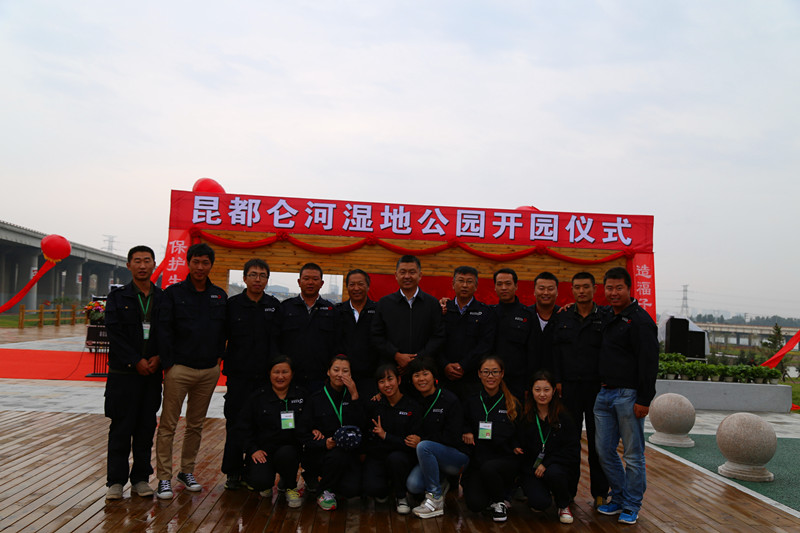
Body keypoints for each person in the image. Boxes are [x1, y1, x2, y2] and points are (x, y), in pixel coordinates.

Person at [155, 243, 227, 499]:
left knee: (195, 425)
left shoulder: (219, 296)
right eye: (196, 261)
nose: (200, 267)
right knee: (168, 425)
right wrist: (169, 364)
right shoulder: (173, 293)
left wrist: (218, 358)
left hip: (208, 371)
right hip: (179, 369)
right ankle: (164, 477)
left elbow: (224, 331)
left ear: (211, 265)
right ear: (188, 263)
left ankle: (187, 471)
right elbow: (163, 329)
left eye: (205, 262)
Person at [594, 267, 658, 525]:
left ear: (629, 289)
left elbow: (649, 363)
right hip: (604, 394)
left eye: (618, 288)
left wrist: (644, 399)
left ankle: (632, 505)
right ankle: (619, 497)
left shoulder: (641, 321)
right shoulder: (606, 315)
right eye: (609, 288)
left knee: (633, 454)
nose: (613, 293)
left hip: (629, 396)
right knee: (603, 451)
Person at [103, 245, 164, 500]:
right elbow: (115, 334)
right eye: (137, 261)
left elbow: (169, 332)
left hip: (151, 375)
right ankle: (116, 482)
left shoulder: (163, 298)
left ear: (154, 265)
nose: (142, 265)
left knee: (145, 428)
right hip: (123, 375)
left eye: (147, 261)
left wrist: (159, 357)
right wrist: (135, 360)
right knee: (121, 428)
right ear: (128, 265)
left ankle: (140, 478)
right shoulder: (117, 297)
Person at [221, 259, 281, 490]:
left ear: (267, 280)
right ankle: (233, 471)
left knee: (261, 424)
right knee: (235, 422)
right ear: (245, 278)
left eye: (262, 275)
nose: (258, 279)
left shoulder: (274, 306)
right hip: (239, 377)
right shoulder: (232, 305)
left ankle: (254, 470)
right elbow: (221, 337)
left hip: (265, 379)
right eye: (253, 275)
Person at [552, 272, 610, 507]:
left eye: (586, 287)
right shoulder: (563, 316)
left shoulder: (605, 316)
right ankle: (568, 492)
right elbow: (555, 352)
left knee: (599, 442)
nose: (581, 291)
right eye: (577, 287)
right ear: (572, 290)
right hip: (569, 389)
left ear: (594, 289)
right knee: (569, 441)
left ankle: (600, 493)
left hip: (597, 389)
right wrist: (557, 380)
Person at [404, 357, 469, 519]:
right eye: (416, 375)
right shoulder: (414, 400)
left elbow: (453, 437)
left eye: (425, 374)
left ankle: (435, 499)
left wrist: (422, 441)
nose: (421, 379)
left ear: (434, 376)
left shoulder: (449, 399)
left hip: (456, 457)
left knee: (424, 446)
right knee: (413, 485)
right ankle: (442, 483)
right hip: (431, 457)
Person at [298, 354, 365, 511]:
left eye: (345, 371)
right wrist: (323, 443)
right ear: (328, 372)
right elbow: (302, 432)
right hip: (322, 453)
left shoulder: (354, 395)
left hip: (349, 453)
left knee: (352, 490)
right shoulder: (315, 398)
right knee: (337, 455)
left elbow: (363, 425)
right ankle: (323, 490)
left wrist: (355, 395)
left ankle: (331, 483)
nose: (340, 374)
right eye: (336, 370)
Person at [460, 356, 521, 522]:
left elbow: (520, 432)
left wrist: (516, 445)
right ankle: (491, 496)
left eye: (495, 372)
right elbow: (462, 422)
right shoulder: (471, 400)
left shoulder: (512, 403)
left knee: (490, 468)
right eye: (486, 372)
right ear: (479, 374)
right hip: (479, 460)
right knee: (475, 505)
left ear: (502, 374)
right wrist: (467, 431)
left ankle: (500, 501)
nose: (490, 376)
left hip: (504, 460)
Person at [239, 355, 305, 508]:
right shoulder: (257, 397)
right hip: (263, 451)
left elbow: (308, 423)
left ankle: (290, 486)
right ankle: (266, 481)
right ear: (269, 373)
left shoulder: (301, 395)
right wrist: (252, 449)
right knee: (259, 482)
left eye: (285, 372)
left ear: (292, 374)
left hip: (289, 451)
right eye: (276, 372)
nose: (280, 377)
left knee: (288, 453)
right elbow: (243, 427)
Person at [517, 370, 580, 525]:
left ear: (554, 391)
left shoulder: (564, 417)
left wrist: (547, 463)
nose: (542, 394)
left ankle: (563, 505)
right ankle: (541, 492)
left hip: (556, 466)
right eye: (537, 390)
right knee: (539, 503)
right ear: (531, 391)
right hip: (533, 469)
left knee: (554, 473)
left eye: (546, 390)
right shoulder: (525, 416)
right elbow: (520, 443)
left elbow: (571, 449)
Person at [361, 364, 421, 515]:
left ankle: (401, 496)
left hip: (402, 457)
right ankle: (387, 486)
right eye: (382, 381)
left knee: (396, 459)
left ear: (399, 380)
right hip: (379, 456)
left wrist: (386, 436)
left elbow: (410, 444)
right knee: (372, 488)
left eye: (390, 379)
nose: (387, 384)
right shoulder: (375, 405)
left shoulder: (412, 406)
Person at [371, 255, 445, 375]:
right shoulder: (384, 303)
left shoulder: (432, 303)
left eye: (412, 272)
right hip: (392, 370)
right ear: (396, 275)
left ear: (420, 275)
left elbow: (438, 336)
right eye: (403, 272)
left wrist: (416, 359)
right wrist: (396, 355)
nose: (407, 276)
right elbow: (376, 335)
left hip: (423, 370)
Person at [439, 266, 496, 399]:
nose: (464, 285)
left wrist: (463, 365)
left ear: (476, 286)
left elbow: (486, 345)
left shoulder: (486, 312)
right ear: (453, 284)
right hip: (444, 377)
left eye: (469, 282)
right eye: (461, 281)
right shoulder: (442, 310)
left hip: (472, 379)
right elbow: (435, 340)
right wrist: (445, 365)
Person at [279, 263, 337, 392]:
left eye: (315, 279)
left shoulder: (331, 310)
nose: (310, 282)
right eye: (306, 279)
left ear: (321, 283)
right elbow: (276, 340)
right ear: (299, 282)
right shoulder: (285, 308)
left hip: (320, 378)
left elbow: (336, 343)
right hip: (290, 377)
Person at [491, 268, 535, 399]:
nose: (504, 288)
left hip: (518, 382)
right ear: (495, 287)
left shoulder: (528, 315)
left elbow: (532, 352)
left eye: (508, 284)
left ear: (516, 286)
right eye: (499, 284)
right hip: (491, 379)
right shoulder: (488, 313)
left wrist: (529, 384)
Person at [336, 269, 379, 396]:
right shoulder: (338, 311)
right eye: (352, 284)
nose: (356, 288)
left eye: (360, 284)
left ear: (368, 286)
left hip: (371, 377)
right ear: (347, 287)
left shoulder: (379, 310)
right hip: (343, 376)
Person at [529, 272, 560, 375]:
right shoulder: (525, 315)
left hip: (556, 377)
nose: (546, 293)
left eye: (550, 289)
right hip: (528, 376)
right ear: (534, 291)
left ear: (557, 292)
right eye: (541, 288)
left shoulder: (565, 316)